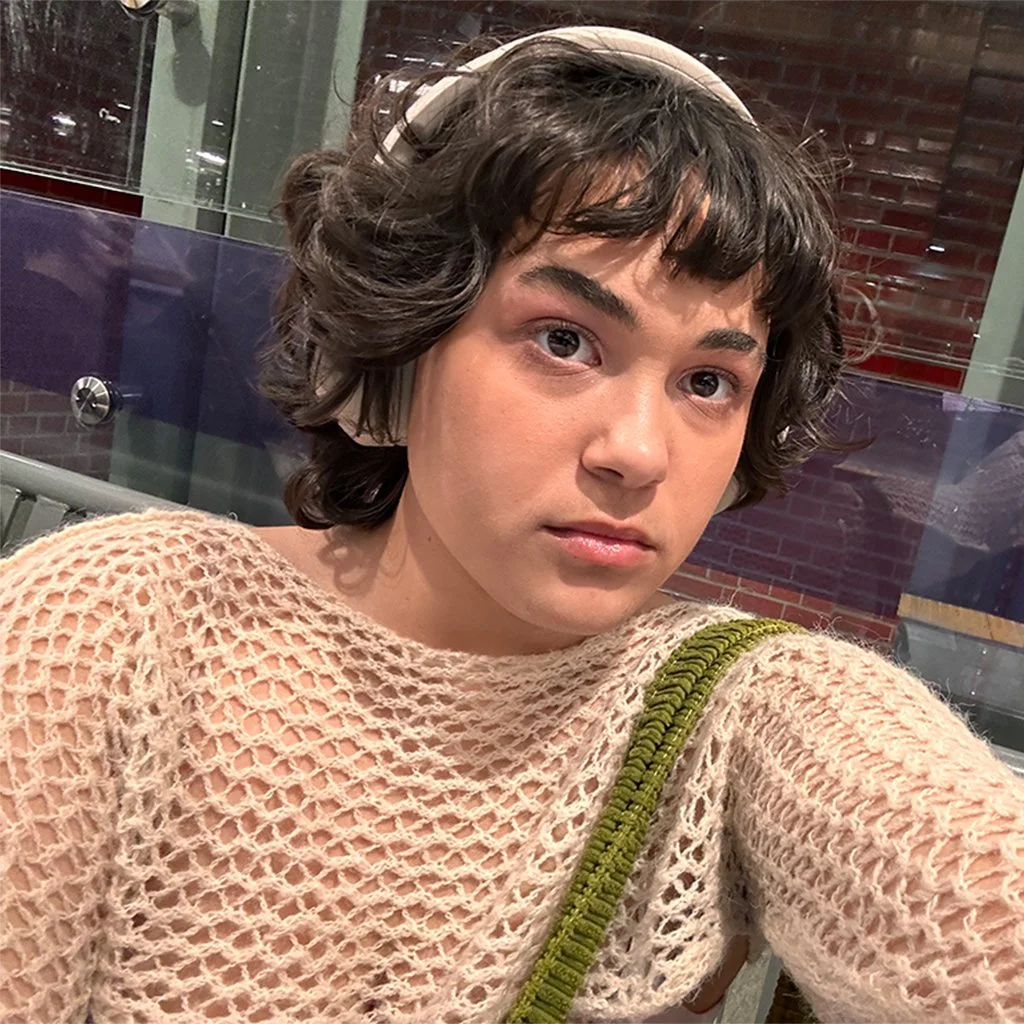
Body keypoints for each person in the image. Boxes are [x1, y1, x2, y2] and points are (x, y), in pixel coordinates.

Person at [2, 24, 1022, 1024]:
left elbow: (962, 894)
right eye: (565, 339)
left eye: (709, 379)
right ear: (394, 348)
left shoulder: (739, 712)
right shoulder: (116, 627)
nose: (639, 450)